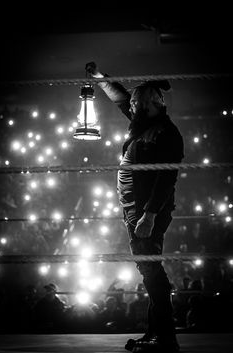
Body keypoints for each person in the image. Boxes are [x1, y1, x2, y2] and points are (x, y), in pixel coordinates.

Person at [85, 62, 184, 352]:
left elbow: (166, 178)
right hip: (135, 209)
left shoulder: (166, 133)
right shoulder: (143, 121)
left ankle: (165, 337)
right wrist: (100, 79)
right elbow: (120, 97)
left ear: (154, 104)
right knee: (148, 268)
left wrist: (149, 215)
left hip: (146, 211)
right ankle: (157, 334)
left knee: (151, 270)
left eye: (139, 104)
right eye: (135, 104)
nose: (133, 108)